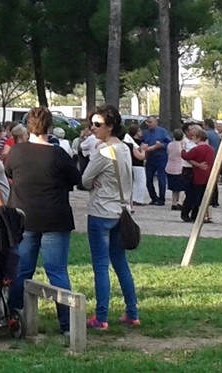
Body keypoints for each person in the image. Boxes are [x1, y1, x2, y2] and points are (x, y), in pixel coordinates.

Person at [5, 107, 81, 334]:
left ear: (28, 126)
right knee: (57, 271)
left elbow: (9, 173)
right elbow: (75, 179)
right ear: (49, 128)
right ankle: (67, 323)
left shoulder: (17, 152)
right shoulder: (58, 154)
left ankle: (14, 315)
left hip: (25, 216)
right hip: (55, 217)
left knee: (23, 270)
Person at [81, 105, 139, 330]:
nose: (93, 129)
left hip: (100, 211)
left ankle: (101, 316)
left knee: (101, 266)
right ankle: (132, 312)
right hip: (121, 210)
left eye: (98, 125)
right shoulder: (124, 148)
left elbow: (85, 179)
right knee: (121, 263)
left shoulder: (103, 151)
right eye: (91, 124)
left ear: (111, 126)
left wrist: (93, 181)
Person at [181, 128, 216, 223]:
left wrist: (183, 148)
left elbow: (185, 156)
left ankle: (185, 214)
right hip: (208, 175)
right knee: (202, 197)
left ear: (198, 138)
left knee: (192, 196)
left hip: (197, 175)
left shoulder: (197, 149)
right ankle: (197, 215)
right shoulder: (211, 149)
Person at [141, 116, 171, 205]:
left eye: (150, 122)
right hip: (150, 157)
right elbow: (142, 142)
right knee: (149, 178)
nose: (149, 124)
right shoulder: (146, 133)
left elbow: (169, 143)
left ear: (155, 122)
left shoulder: (163, 131)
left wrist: (161, 145)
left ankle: (162, 198)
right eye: (148, 122)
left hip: (161, 157)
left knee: (161, 178)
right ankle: (153, 197)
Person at [124, 124, 147, 208]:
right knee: (141, 181)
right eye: (139, 131)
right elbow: (141, 155)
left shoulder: (128, 142)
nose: (141, 132)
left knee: (132, 182)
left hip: (130, 163)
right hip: (138, 164)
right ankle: (138, 199)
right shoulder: (135, 143)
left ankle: (133, 198)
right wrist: (144, 150)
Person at [165, 129, 186, 210]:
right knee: (182, 187)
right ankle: (180, 202)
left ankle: (173, 202)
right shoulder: (181, 145)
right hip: (179, 167)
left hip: (170, 167)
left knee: (174, 188)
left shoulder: (170, 144)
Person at [204, 119, 221, 208]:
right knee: (214, 179)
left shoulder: (207, 134)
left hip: (210, 158)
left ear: (206, 125)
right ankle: (215, 199)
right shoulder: (215, 134)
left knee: (208, 179)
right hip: (216, 157)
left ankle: (211, 199)